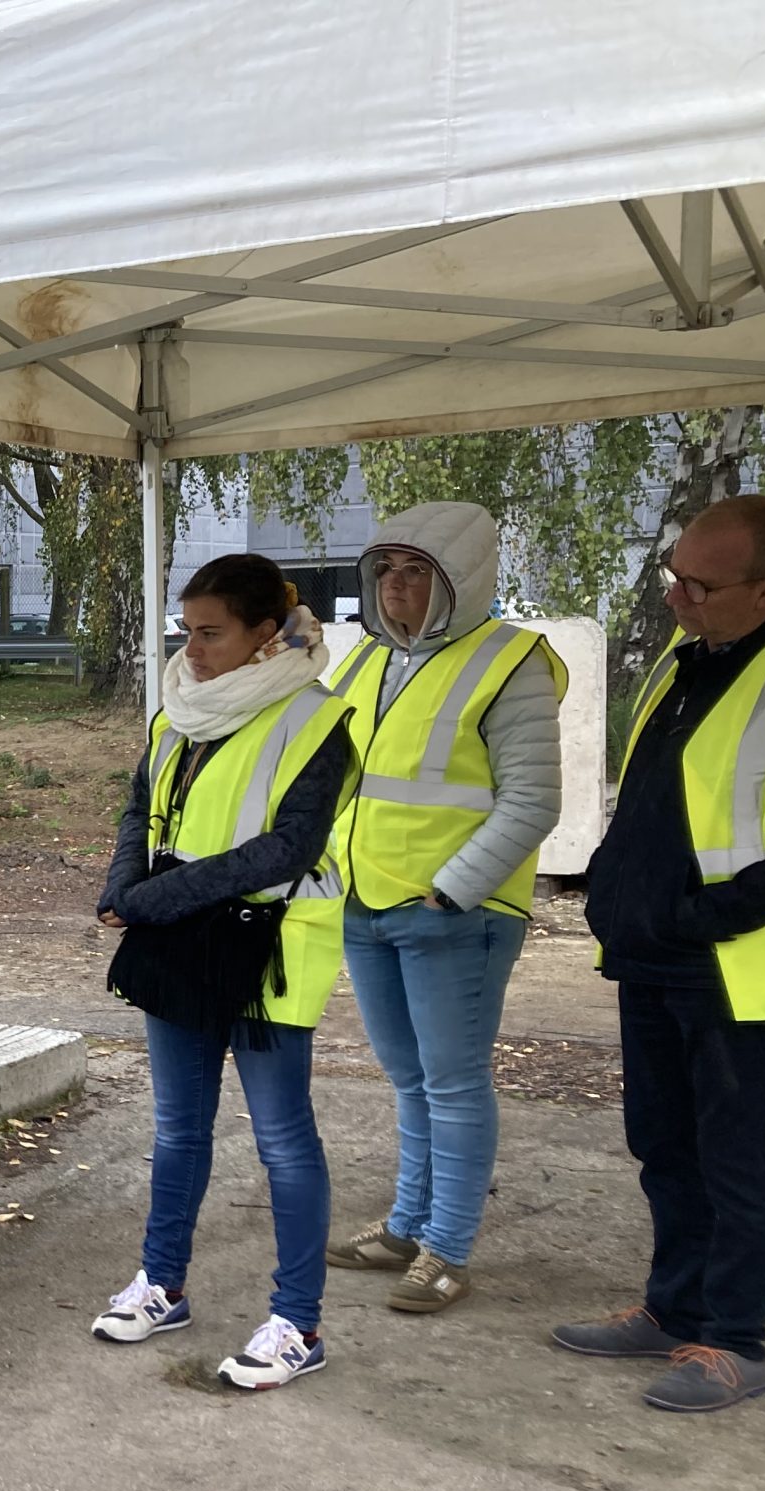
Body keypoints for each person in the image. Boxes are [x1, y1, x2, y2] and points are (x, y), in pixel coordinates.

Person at [560, 495, 765, 1413]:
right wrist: (613, 890)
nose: (679, 597)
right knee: (662, 1142)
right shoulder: (685, 661)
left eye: (700, 584)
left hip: (731, 961)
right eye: (674, 576)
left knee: (732, 1152)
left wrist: (697, 915)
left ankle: (733, 1340)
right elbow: (651, 799)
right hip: (653, 953)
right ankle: (671, 1305)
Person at [92, 556, 354, 1389]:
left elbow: (287, 848)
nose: (192, 648)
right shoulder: (178, 712)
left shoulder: (317, 720)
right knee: (177, 1129)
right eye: (188, 629)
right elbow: (141, 807)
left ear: (264, 635)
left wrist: (155, 897)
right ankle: (162, 1285)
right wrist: (121, 887)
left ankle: (298, 1323)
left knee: (283, 1142)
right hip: (181, 938)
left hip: (269, 945)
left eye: (211, 633)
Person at [322, 503, 563, 1312]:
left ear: (461, 578)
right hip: (366, 902)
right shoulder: (362, 663)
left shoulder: (510, 661)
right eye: (385, 570)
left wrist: (455, 886)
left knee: (453, 1085)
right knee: (408, 1079)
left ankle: (447, 1250)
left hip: (457, 912)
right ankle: (406, 1227)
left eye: (416, 571)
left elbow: (532, 801)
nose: (395, 588)